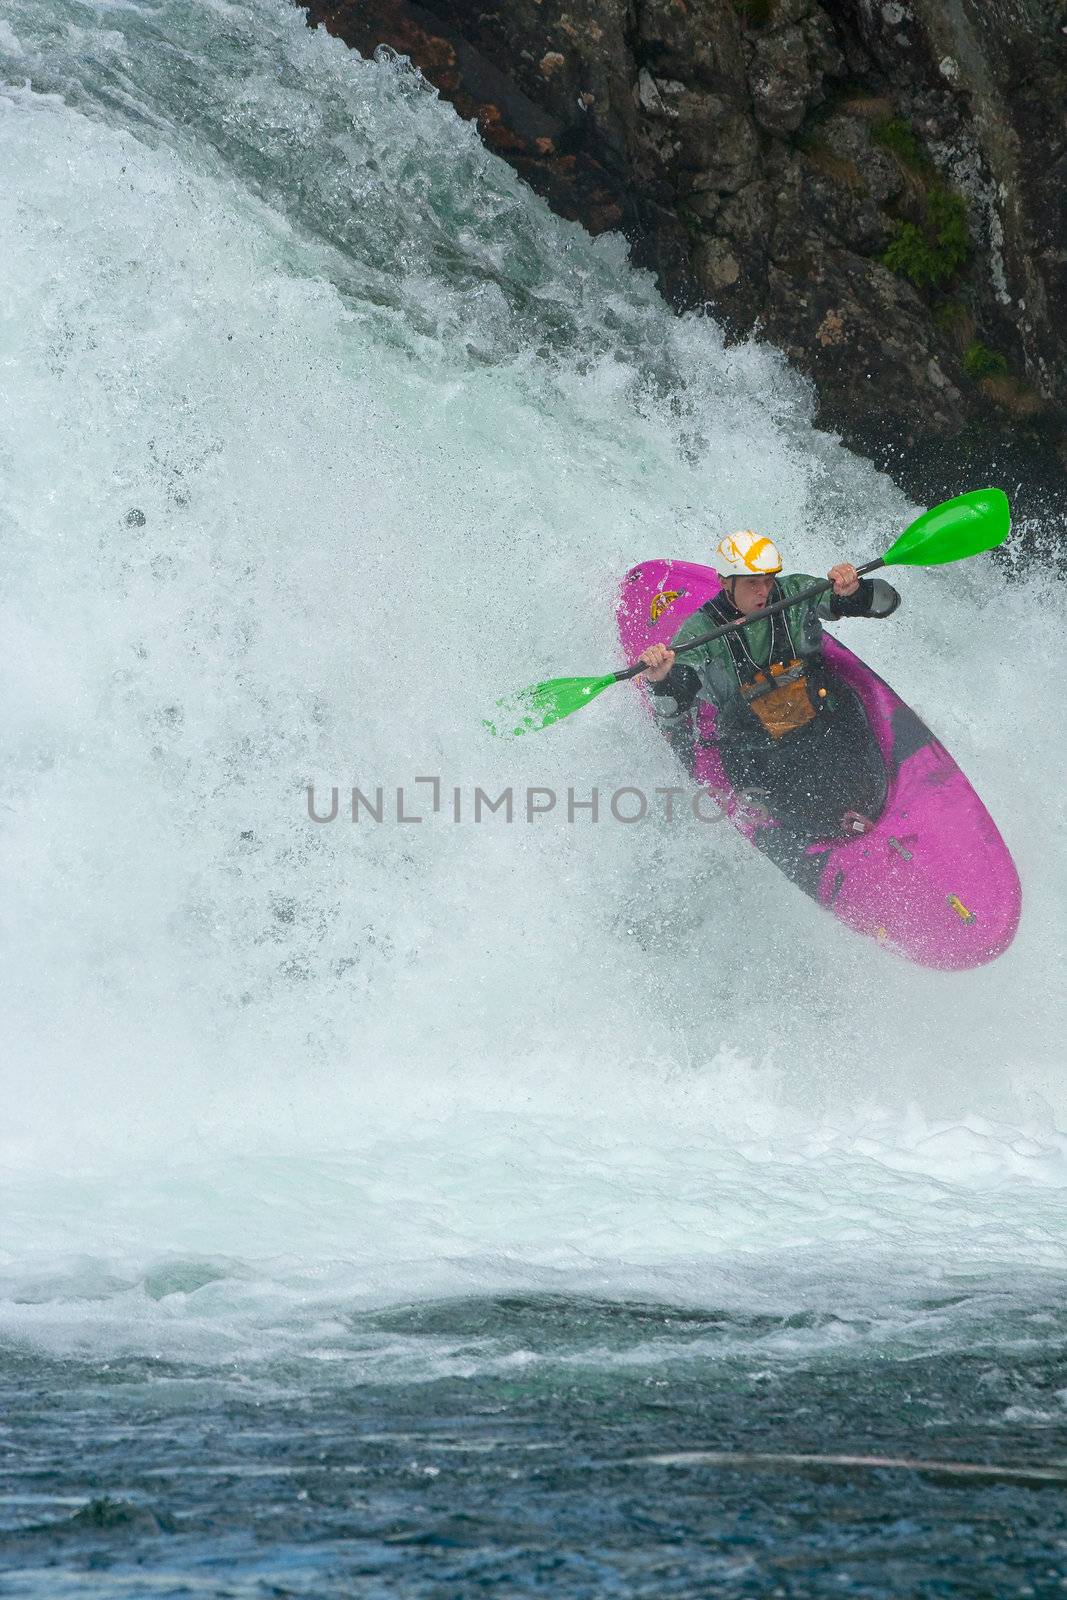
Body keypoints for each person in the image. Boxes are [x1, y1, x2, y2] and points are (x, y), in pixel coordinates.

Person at [637, 529, 900, 866]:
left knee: (865, 788)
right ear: (724, 581)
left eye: (767, 580)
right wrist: (662, 680)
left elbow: (887, 603)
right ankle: (829, 833)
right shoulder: (700, 632)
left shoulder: (794, 592)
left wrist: (854, 591)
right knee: (809, 811)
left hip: (823, 722)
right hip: (760, 750)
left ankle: (856, 816)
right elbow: (674, 707)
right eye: (750, 583)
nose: (763, 591)